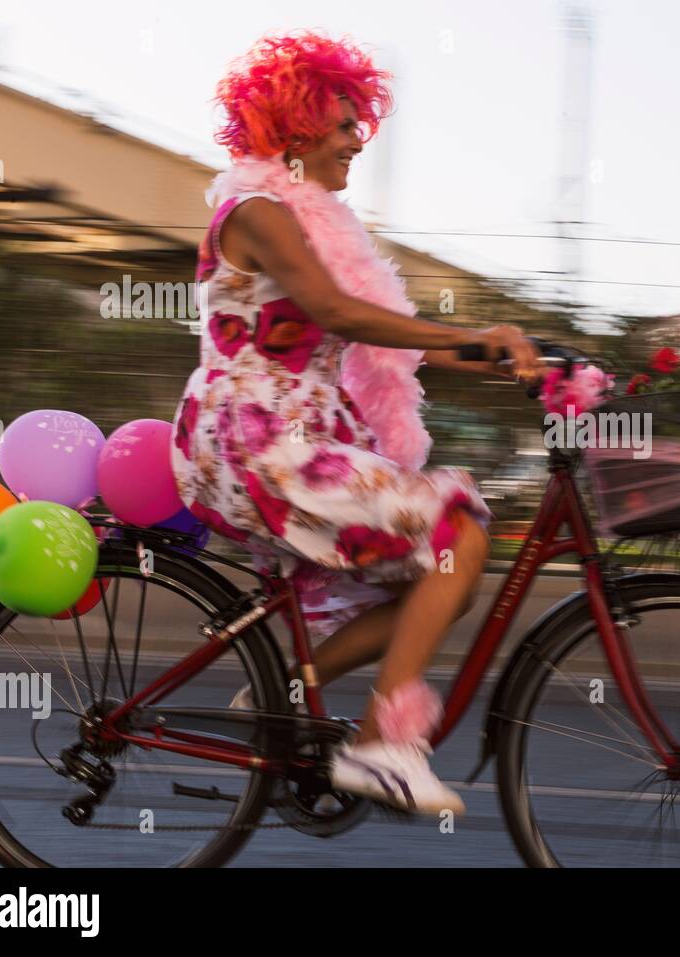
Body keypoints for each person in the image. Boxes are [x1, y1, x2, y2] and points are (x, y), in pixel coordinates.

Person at [169, 31, 539, 815]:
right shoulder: (258, 210)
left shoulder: (309, 224)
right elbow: (335, 310)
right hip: (258, 443)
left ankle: (286, 689)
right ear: (295, 128)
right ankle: (382, 746)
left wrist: (484, 353)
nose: (356, 141)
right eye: (343, 125)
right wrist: (469, 336)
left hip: (298, 438)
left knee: (447, 573)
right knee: (456, 530)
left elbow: (361, 331)